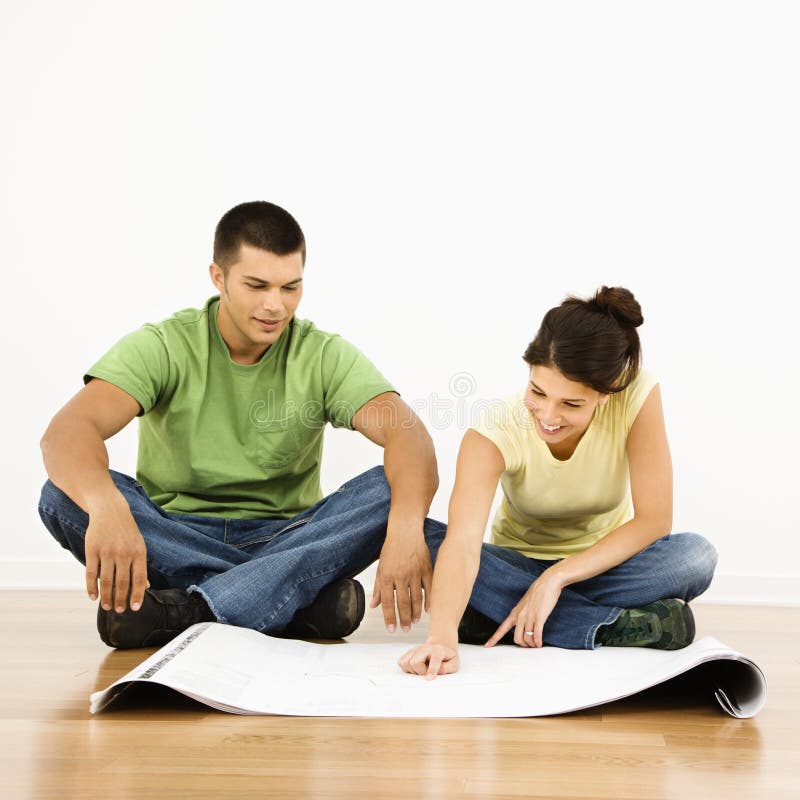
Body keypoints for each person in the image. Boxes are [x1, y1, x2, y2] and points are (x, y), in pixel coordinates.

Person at [39, 200, 439, 648]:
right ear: (218, 277)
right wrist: (106, 506)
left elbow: (408, 434)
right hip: (177, 530)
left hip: (289, 535)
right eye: (257, 285)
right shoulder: (165, 345)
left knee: (391, 490)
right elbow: (69, 430)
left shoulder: (322, 354)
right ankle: (291, 600)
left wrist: (405, 527)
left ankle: (189, 609)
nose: (275, 305)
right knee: (62, 496)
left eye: (291, 287)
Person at [399, 286, 717, 679]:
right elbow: (463, 543)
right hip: (513, 562)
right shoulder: (494, 431)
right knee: (426, 544)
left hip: (601, 564)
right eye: (538, 392)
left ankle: (499, 616)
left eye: (571, 404)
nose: (548, 415)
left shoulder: (637, 394)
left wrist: (556, 578)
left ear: (607, 392)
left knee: (695, 556)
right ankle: (611, 625)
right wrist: (442, 639)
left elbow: (654, 520)